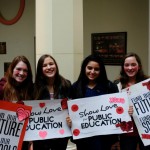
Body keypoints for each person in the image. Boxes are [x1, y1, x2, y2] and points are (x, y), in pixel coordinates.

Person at [66, 54, 119, 150]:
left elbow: (116, 110)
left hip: (104, 138)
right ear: (84, 68)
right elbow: (70, 110)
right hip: (83, 138)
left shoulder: (110, 87)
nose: (92, 72)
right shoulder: (75, 87)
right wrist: (69, 119)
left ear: (101, 70)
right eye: (89, 68)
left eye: (96, 69)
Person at [33, 54, 71, 150]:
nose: (49, 67)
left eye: (51, 64)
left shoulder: (66, 85)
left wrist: (71, 118)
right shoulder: (34, 88)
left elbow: (71, 107)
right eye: (44, 65)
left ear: (56, 65)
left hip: (60, 136)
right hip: (40, 138)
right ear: (40, 69)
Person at [114, 52, 150, 150]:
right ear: (123, 67)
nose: (130, 68)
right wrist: (124, 110)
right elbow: (114, 108)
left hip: (146, 129)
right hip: (127, 131)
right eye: (127, 65)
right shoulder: (117, 84)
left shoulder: (148, 82)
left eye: (133, 64)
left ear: (139, 66)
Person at [0, 55, 34, 150]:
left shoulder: (30, 89)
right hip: (5, 141)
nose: (21, 73)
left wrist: (32, 142)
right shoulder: (2, 88)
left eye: (25, 70)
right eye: (18, 69)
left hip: (24, 141)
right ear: (12, 69)